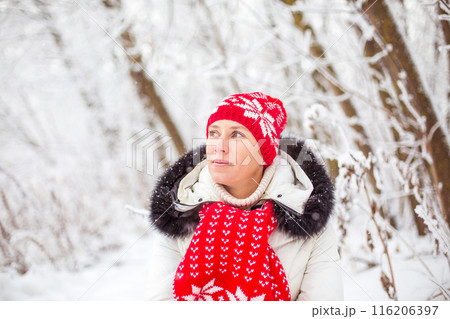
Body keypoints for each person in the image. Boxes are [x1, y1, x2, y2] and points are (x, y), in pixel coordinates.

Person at [146, 92, 344, 301]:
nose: (218, 146)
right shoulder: (180, 212)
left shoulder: (306, 218)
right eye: (213, 133)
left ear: (264, 152)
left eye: (236, 135)